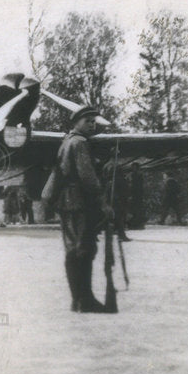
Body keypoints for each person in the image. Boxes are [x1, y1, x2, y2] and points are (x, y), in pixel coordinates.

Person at [42, 104, 112, 314]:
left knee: (74, 247)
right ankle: (85, 300)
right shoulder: (80, 143)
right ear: (76, 123)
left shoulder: (67, 141)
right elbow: (87, 177)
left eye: (93, 121)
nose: (92, 125)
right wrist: (102, 201)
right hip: (79, 201)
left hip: (67, 201)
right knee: (83, 248)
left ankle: (78, 300)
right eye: (87, 121)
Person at [105, 161, 131, 242]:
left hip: (116, 201)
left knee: (117, 218)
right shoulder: (118, 180)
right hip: (118, 201)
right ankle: (121, 235)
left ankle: (119, 234)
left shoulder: (111, 181)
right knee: (119, 218)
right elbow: (125, 191)